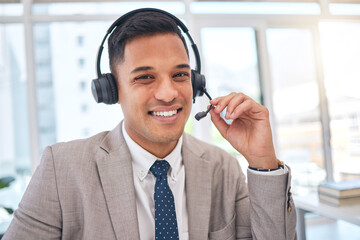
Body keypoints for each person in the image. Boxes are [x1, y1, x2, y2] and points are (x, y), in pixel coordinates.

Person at [3, 9, 297, 240]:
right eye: (145, 77)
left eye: (180, 75)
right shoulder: (61, 168)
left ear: (195, 84)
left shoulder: (223, 168)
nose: (169, 93)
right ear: (112, 90)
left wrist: (263, 163)